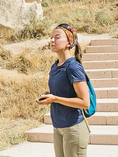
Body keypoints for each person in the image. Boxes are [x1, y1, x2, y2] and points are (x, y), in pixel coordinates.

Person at [37, 23, 91, 156]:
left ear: (69, 42)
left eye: (57, 37)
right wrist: (49, 95)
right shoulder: (55, 66)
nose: (52, 40)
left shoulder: (73, 67)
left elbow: (85, 102)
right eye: (51, 37)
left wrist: (55, 98)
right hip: (58, 127)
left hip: (74, 127)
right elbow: (63, 91)